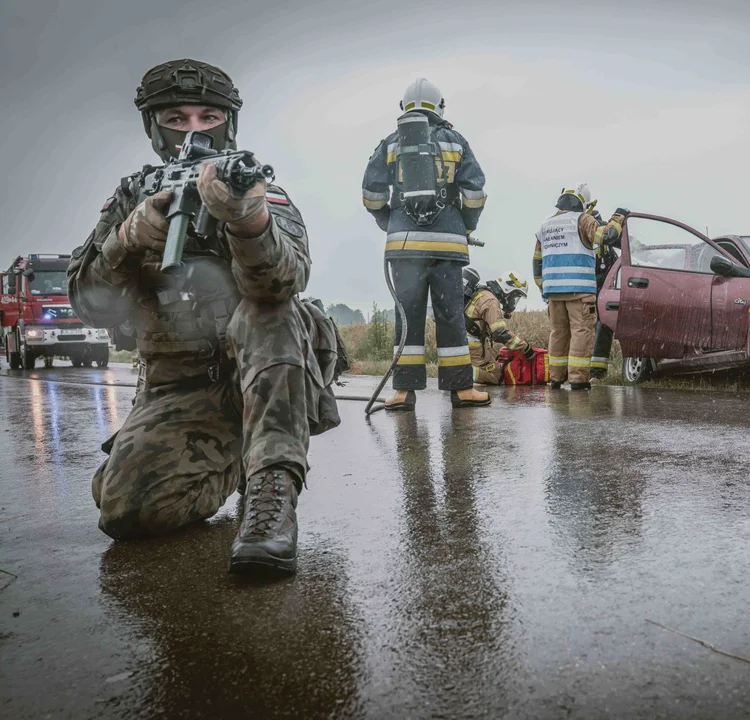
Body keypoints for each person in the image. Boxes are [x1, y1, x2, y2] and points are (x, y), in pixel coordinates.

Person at [68, 59, 342, 575]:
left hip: (263, 368)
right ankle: (233, 456)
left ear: (228, 123)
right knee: (127, 511)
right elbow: (87, 302)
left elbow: (282, 284)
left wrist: (247, 220)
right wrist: (123, 243)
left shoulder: (256, 188)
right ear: (154, 129)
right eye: (176, 119)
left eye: (208, 117)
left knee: (269, 311)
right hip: (179, 384)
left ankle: (272, 494)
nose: (194, 131)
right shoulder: (130, 196)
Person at [362, 78, 490, 410]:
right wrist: (465, 226)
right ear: (441, 106)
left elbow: (372, 195)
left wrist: (390, 222)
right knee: (451, 315)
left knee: (407, 316)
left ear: (404, 108)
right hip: (448, 245)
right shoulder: (455, 141)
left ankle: (403, 392)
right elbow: (475, 192)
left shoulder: (390, 144)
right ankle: (461, 390)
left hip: (404, 248)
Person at [532, 184, 625, 389]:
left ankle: (555, 378)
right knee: (581, 332)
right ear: (582, 202)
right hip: (579, 290)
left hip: (553, 292)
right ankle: (578, 380)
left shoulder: (545, 225)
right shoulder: (582, 219)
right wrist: (618, 217)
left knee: (558, 333)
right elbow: (606, 236)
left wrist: (543, 289)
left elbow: (537, 263)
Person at [462, 269, 533, 384]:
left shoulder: (482, 294)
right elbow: (500, 332)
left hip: (464, 342)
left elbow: (492, 333)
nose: (512, 302)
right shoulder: (491, 300)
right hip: (473, 346)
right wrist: (526, 348)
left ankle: (457, 370)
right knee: (495, 376)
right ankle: (458, 372)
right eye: (514, 296)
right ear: (508, 289)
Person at [586, 203, 622, 380]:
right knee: (587, 328)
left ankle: (595, 373)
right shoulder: (592, 231)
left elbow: (628, 244)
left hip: (599, 288)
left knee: (601, 327)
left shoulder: (603, 234)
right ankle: (591, 373)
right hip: (590, 287)